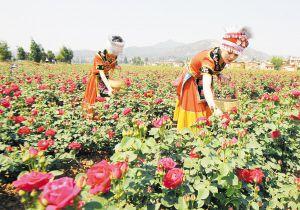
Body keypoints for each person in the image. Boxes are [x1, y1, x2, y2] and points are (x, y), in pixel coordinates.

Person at [173, 27, 252, 130]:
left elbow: (215, 68)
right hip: (192, 80)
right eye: (229, 52)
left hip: (202, 77)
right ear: (222, 47)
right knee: (196, 106)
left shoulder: (222, 57)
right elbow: (206, 88)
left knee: (205, 103)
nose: (232, 57)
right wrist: (214, 109)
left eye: (236, 55)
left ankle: (204, 129)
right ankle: (192, 133)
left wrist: (220, 75)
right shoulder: (208, 60)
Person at [82, 35, 124, 117]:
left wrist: (116, 67)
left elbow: (112, 65)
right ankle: (92, 120)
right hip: (96, 79)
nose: (119, 50)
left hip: (106, 78)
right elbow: (101, 73)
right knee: (96, 101)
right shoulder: (99, 56)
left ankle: (105, 118)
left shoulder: (114, 55)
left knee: (108, 100)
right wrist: (109, 88)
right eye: (117, 47)